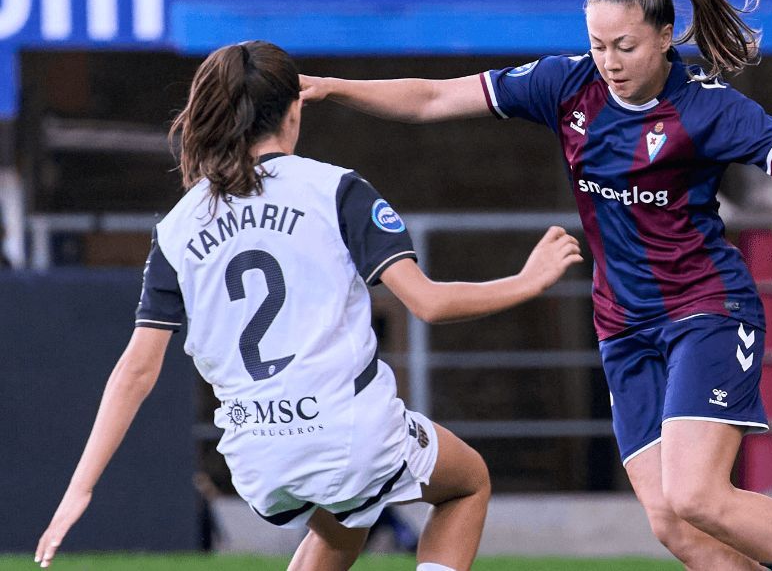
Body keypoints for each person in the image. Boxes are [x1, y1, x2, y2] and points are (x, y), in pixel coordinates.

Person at [295, 0, 772, 571]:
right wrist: (335, 87)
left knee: (699, 495)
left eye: (626, 46)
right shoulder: (566, 86)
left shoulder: (706, 106)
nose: (609, 62)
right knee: (673, 524)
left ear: (666, 38)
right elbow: (432, 98)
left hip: (708, 311)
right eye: (598, 45)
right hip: (623, 327)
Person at [34, 41, 583, 571]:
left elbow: (136, 369)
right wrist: (527, 280)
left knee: (347, 518)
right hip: (350, 433)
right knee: (468, 483)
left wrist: (79, 489)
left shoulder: (177, 227)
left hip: (255, 457)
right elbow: (429, 303)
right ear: (293, 111)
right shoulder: (336, 190)